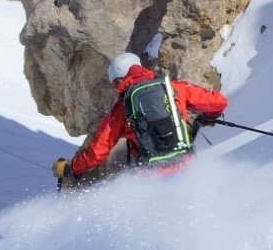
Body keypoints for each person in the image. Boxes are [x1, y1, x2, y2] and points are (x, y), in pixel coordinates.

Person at [53, 52, 227, 189]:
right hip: (186, 166)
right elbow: (219, 102)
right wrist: (208, 117)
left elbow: (98, 151)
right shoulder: (174, 88)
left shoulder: (122, 108)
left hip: (150, 177)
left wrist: (71, 168)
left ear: (119, 79)